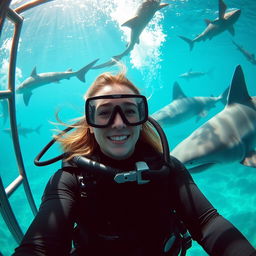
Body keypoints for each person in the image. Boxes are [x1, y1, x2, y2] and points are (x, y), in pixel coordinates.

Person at [12, 68, 256, 256]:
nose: (118, 123)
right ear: (89, 122)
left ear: (142, 118)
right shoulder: (70, 178)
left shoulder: (168, 169)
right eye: (105, 112)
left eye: (129, 111)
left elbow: (208, 223)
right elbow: (41, 243)